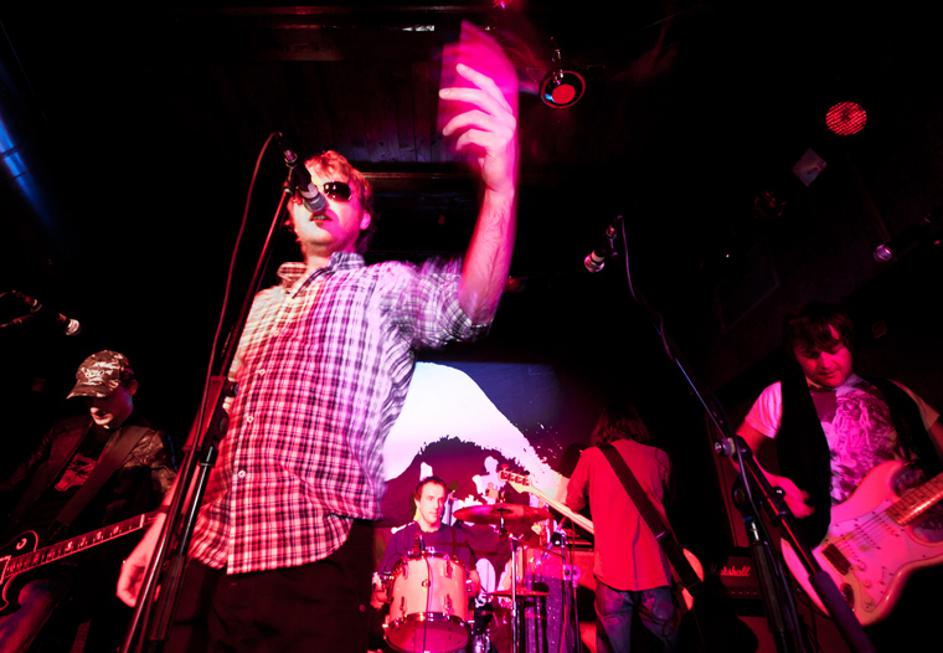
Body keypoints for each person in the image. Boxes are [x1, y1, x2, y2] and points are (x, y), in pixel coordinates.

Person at [117, 57, 518, 653]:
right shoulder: (259, 305)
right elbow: (215, 433)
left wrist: (500, 189)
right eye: (307, 189)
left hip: (310, 558)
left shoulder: (381, 287)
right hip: (206, 555)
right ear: (289, 212)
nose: (320, 198)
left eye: (338, 190)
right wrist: (160, 531)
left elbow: (471, 305)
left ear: (364, 215)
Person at [736, 302, 943, 648]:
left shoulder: (893, 392)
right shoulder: (781, 396)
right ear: (795, 355)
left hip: (928, 535)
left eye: (833, 349)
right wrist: (774, 484)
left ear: (849, 342)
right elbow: (737, 450)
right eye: (810, 354)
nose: (825, 363)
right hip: (854, 552)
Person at [0, 350, 176, 653]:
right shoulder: (65, 429)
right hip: (13, 549)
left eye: (103, 395)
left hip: (73, 563)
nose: (95, 405)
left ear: (131, 388)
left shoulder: (150, 441)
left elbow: (170, 505)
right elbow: (12, 484)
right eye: (88, 396)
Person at [565, 405, 680, 653]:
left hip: (612, 573)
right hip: (655, 571)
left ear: (602, 428)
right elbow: (670, 502)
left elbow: (572, 503)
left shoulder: (591, 457)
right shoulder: (659, 456)